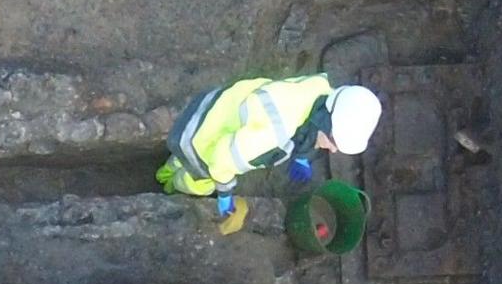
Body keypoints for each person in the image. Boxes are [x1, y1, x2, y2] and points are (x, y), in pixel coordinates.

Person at [158, 76, 383, 204]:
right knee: (195, 181)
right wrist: (225, 193)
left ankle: (165, 170)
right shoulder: (271, 137)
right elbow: (220, 161)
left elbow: (305, 123)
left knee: (177, 160)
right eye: (334, 142)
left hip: (214, 108)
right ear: (325, 124)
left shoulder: (320, 88)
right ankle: (168, 190)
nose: (333, 150)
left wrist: (303, 155)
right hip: (200, 145)